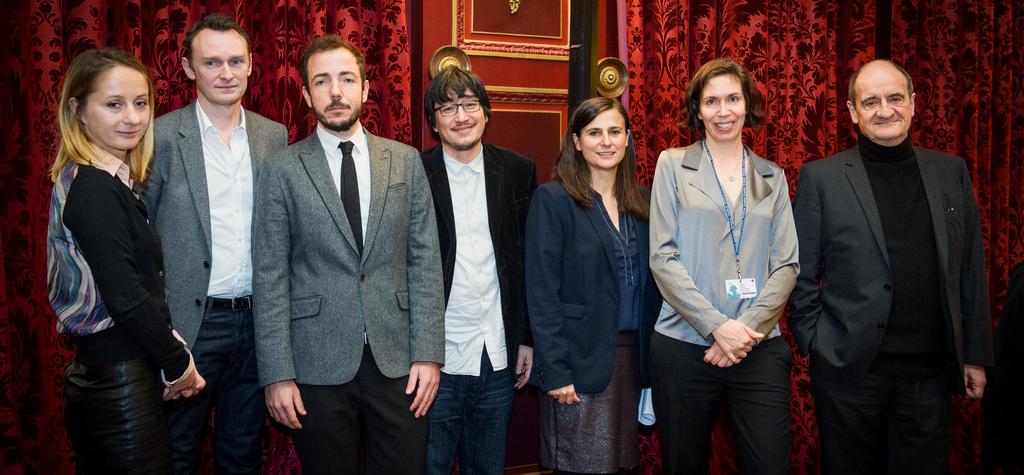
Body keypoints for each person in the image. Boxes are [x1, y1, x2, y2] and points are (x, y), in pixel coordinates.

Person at [789, 58, 994, 474]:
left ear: (914, 104)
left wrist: (974, 354)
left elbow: (970, 268)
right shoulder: (821, 178)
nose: (885, 110)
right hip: (850, 375)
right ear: (852, 112)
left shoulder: (950, 171)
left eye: (895, 98)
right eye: (871, 101)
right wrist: (817, 344)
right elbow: (800, 272)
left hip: (930, 377)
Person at [252, 34, 445, 475]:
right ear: (305, 94)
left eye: (345, 79)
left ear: (366, 87)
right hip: (316, 364)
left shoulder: (405, 161)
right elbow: (270, 276)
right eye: (321, 82)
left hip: (399, 363)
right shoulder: (281, 170)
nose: (335, 92)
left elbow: (425, 262)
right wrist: (277, 374)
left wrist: (429, 354)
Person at [46, 48, 205, 473]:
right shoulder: (95, 188)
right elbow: (126, 296)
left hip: (119, 376)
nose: (133, 118)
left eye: (141, 103)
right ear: (78, 110)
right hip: (116, 385)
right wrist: (178, 364)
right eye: (114, 104)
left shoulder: (106, 180)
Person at [142, 14, 288, 474]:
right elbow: (140, 238)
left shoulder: (274, 136)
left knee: (241, 453)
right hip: (191, 327)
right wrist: (161, 327)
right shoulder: (159, 136)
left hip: (256, 322)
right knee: (177, 452)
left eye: (235, 61)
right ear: (188, 68)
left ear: (250, 66)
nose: (225, 73)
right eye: (212, 62)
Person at [648, 58, 798, 474]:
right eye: (711, 101)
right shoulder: (673, 165)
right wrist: (717, 326)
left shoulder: (773, 177)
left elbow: (787, 265)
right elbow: (662, 257)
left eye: (733, 98)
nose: (723, 110)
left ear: (747, 104)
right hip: (684, 346)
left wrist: (743, 333)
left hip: (758, 346)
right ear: (697, 110)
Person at [525, 96, 661, 474]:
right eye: (594, 132)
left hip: (632, 362)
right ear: (576, 141)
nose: (606, 141)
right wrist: (556, 371)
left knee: (621, 467)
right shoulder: (553, 200)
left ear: (628, 138)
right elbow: (541, 292)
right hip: (577, 363)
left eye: (615, 131)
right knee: (579, 466)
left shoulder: (645, 202)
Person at [420, 67, 537, 474]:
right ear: (433, 122)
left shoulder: (519, 171)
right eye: (447, 108)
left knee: (487, 468)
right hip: (437, 358)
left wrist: (525, 338)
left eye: (470, 104)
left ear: (486, 112)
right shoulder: (413, 173)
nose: (461, 116)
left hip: (497, 355)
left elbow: (525, 263)